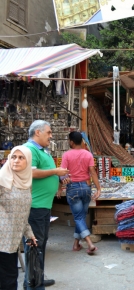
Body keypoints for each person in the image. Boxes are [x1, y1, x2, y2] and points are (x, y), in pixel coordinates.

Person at [23, 120, 69, 289]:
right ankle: (33, 284)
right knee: (34, 246)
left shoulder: (43, 150)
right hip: (34, 207)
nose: (51, 136)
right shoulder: (30, 149)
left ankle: (37, 278)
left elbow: (45, 171)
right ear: (38, 132)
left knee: (40, 244)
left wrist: (60, 177)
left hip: (43, 206)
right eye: (48, 132)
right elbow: (32, 172)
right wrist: (56, 172)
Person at [0, 146, 37, 290]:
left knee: (9, 278)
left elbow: (23, 214)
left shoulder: (26, 184)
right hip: (2, 238)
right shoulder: (2, 180)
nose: (16, 161)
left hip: (11, 241)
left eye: (21, 158)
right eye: (13, 157)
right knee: (8, 280)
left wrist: (29, 234)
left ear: (28, 162)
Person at [59, 132, 101, 255]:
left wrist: (61, 185)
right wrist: (98, 189)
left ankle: (89, 243)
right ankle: (76, 244)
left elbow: (62, 173)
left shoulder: (66, 155)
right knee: (81, 216)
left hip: (73, 188)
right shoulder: (88, 154)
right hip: (86, 187)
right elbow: (93, 172)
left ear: (71, 141)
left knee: (78, 217)